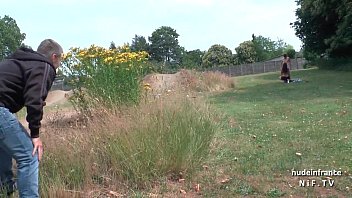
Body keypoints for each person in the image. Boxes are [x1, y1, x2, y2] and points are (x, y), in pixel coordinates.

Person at [0, 39, 63, 197]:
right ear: (54, 57)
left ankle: (6, 189)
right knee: (30, 155)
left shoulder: (17, 61)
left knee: (3, 150)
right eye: (60, 60)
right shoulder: (44, 66)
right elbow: (34, 100)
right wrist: (35, 135)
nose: (59, 64)